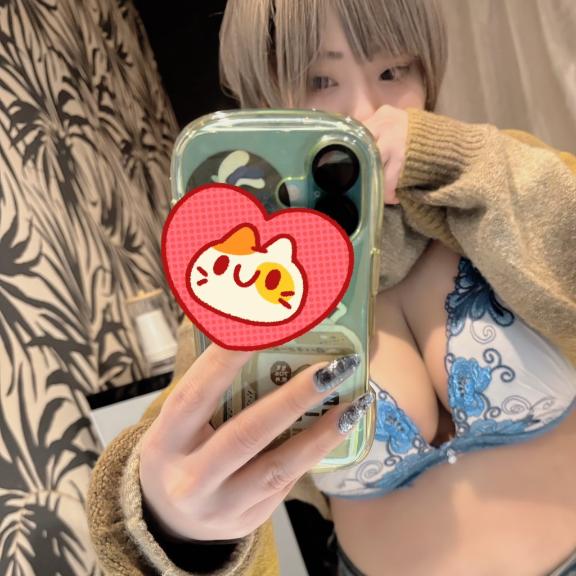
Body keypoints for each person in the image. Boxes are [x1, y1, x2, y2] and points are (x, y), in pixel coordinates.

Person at [87, 0, 576, 574]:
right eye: (320, 80)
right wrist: (168, 521)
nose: (365, 112)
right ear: (265, 98)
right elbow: (174, 442)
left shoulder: (494, 177)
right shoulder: (244, 280)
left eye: (393, 70)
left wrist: (453, 160)